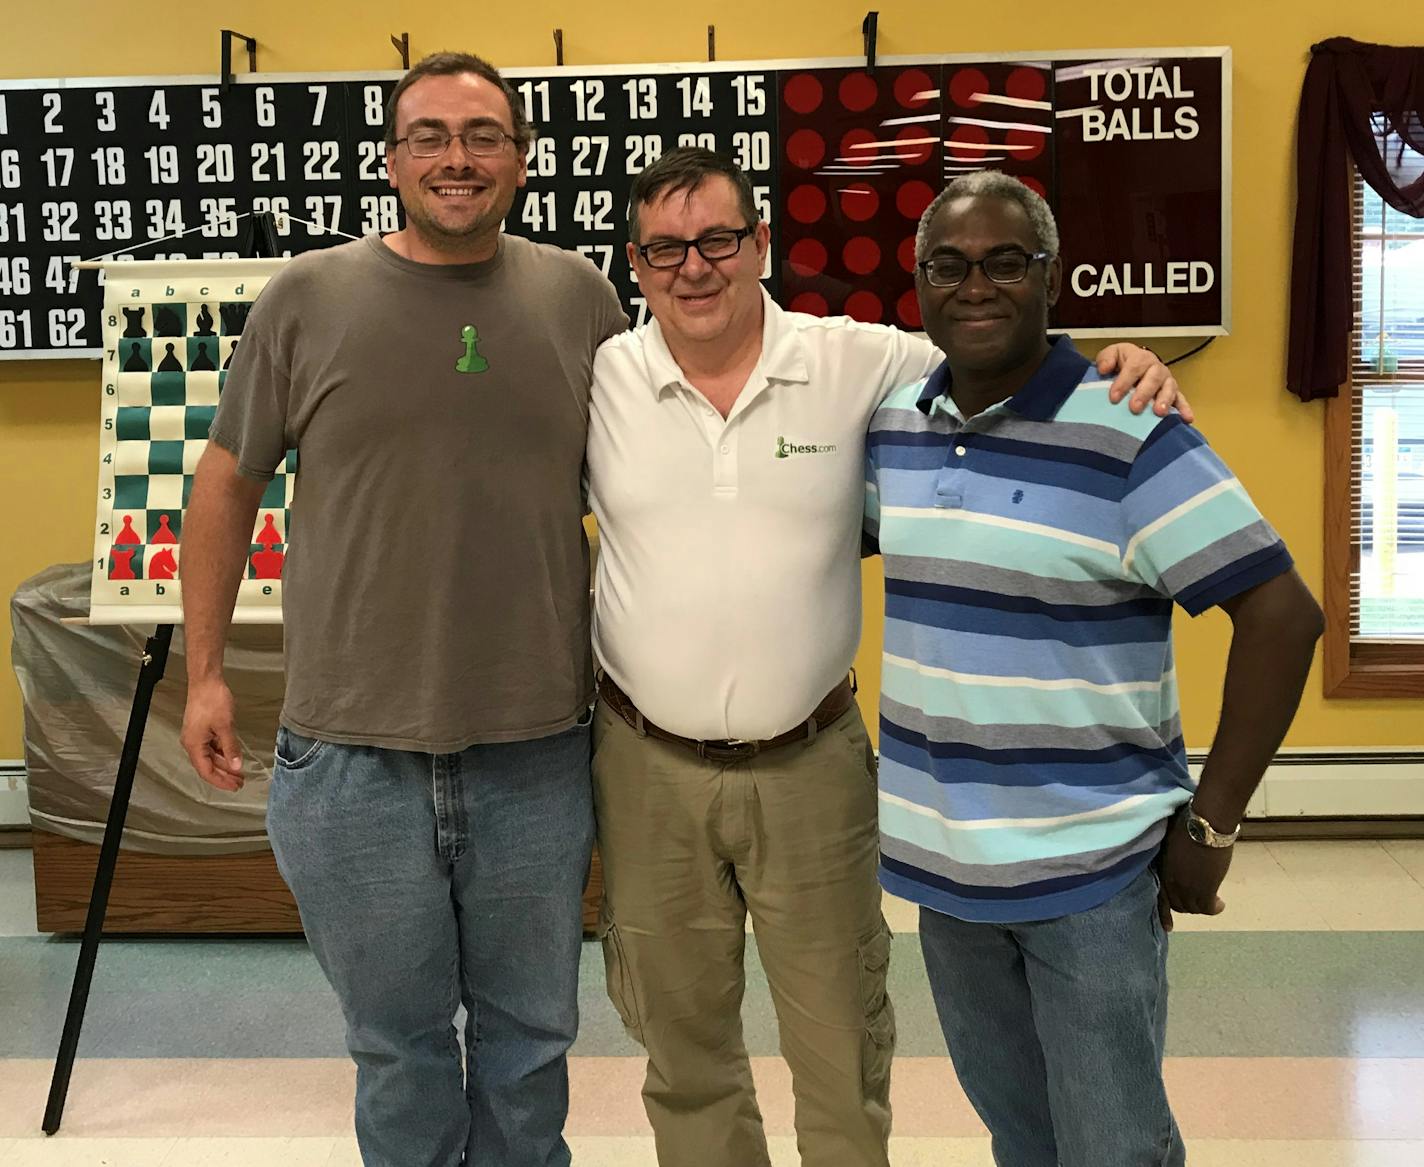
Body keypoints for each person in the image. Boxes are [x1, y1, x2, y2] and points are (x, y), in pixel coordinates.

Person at [585, 148, 1189, 1167]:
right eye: (664, 250)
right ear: (634, 265)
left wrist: (1115, 362)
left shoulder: (856, 360)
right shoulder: (604, 373)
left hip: (811, 764)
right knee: (680, 1051)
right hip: (643, 767)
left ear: (759, 245)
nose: (694, 269)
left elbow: (996, 344)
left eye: (718, 241)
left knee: (838, 1048)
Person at [178, 52, 626, 1167]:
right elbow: (226, 479)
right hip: (350, 756)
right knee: (398, 1049)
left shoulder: (579, 297)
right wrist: (204, 674)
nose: (455, 158)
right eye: (427, 134)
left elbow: (669, 460)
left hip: (535, 750)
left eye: (481, 136)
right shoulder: (307, 297)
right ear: (390, 159)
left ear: (520, 162)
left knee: (532, 1044)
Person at [863, 171, 1324, 1167]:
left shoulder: (1126, 426)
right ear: (918, 283)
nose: (974, 285)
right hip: (947, 878)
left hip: (1089, 877)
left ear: (1049, 276)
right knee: (1021, 1137)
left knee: (1111, 1145)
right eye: (948, 264)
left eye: (1004, 263)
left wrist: (1214, 821)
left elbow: (1282, 615)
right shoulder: (896, 428)